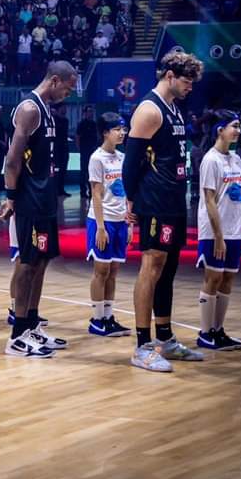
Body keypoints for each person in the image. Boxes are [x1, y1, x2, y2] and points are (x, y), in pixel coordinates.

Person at [123, 50, 206, 372]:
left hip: (173, 199)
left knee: (168, 268)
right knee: (152, 265)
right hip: (154, 200)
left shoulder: (173, 107)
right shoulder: (149, 109)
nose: (190, 87)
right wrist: (132, 200)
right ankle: (142, 346)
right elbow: (131, 163)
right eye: (187, 81)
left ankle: (166, 338)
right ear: (169, 76)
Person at [0, 61, 78, 357]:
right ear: (54, 80)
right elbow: (12, 160)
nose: (68, 93)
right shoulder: (30, 109)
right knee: (27, 262)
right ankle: (17, 335)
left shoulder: (47, 110)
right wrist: (10, 197)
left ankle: (31, 325)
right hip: (29, 198)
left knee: (41, 261)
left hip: (45, 197)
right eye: (67, 88)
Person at [195, 111, 241, 351]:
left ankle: (218, 330)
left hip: (235, 230)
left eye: (239, 126)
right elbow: (209, 200)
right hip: (214, 231)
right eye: (234, 126)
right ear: (220, 130)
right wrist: (218, 236)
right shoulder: (210, 159)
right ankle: (206, 332)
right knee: (213, 278)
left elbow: (240, 198)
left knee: (228, 278)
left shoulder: (236, 159)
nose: (238, 131)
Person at [85, 112, 132, 338]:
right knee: (101, 270)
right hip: (102, 221)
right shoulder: (97, 158)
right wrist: (101, 227)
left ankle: (108, 317)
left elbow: (128, 191)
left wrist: (129, 223)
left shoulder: (123, 157)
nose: (122, 133)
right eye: (117, 129)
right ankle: (97, 319)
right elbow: (96, 194)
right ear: (105, 132)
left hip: (120, 221)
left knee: (113, 271)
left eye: (123, 129)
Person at [77, 106, 98, 200]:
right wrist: (79, 148)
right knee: (84, 171)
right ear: (85, 113)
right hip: (84, 150)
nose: (91, 113)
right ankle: (82, 192)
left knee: (92, 171)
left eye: (92, 111)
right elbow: (77, 136)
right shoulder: (82, 124)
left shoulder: (94, 124)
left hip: (92, 150)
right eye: (89, 111)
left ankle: (91, 192)